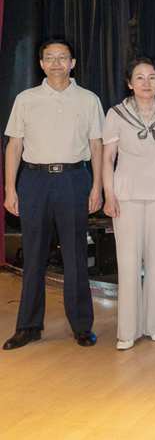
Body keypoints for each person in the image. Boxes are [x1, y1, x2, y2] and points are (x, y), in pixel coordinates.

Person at [3, 38, 104, 350]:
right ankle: (28, 326)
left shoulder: (88, 99)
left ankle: (82, 326)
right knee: (33, 255)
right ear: (41, 63)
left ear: (73, 63)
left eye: (62, 57)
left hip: (74, 179)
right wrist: (10, 188)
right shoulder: (26, 99)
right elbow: (14, 146)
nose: (56, 63)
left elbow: (97, 146)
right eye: (50, 57)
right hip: (34, 181)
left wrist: (97, 186)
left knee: (75, 255)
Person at [102, 57, 155, 351]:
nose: (146, 83)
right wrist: (109, 195)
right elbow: (107, 158)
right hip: (126, 193)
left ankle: (154, 325)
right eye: (139, 77)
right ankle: (127, 330)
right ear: (129, 83)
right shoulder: (116, 114)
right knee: (127, 262)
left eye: (152, 77)